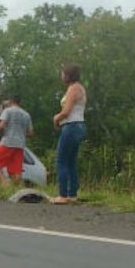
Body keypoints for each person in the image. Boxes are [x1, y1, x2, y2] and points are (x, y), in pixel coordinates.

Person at [52, 63, 87, 203]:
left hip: (71, 126)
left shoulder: (73, 89)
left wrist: (56, 118)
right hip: (79, 126)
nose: (61, 76)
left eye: (62, 73)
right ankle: (72, 194)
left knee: (61, 160)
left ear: (68, 75)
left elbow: (66, 112)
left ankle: (62, 195)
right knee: (71, 161)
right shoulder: (80, 88)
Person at [0, 95, 33, 186]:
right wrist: (21, 134)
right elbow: (30, 133)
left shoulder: (8, 111)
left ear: (10, 101)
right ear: (19, 102)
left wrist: (2, 133)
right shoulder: (26, 114)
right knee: (15, 171)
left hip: (8, 142)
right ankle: (15, 189)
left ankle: (4, 183)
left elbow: (1, 125)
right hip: (20, 145)